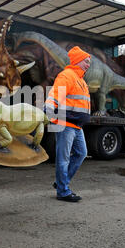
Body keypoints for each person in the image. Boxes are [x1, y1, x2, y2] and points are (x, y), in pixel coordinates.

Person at [44, 46, 91, 202]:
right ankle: (63, 191)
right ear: (78, 61)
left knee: (81, 153)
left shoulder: (81, 80)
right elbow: (56, 92)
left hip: (76, 125)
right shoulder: (67, 76)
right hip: (64, 123)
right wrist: (49, 106)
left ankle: (60, 183)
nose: (88, 64)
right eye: (86, 61)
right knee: (63, 158)